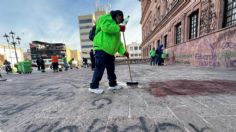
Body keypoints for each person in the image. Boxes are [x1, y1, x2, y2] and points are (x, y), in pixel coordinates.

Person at [89, 10, 129, 94]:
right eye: (119, 17)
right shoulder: (106, 17)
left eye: (121, 19)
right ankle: (93, 86)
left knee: (111, 69)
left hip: (110, 52)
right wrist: (119, 28)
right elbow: (106, 27)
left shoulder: (116, 29)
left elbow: (118, 43)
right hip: (101, 48)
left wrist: (124, 52)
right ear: (116, 15)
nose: (120, 19)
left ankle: (112, 84)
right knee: (100, 67)